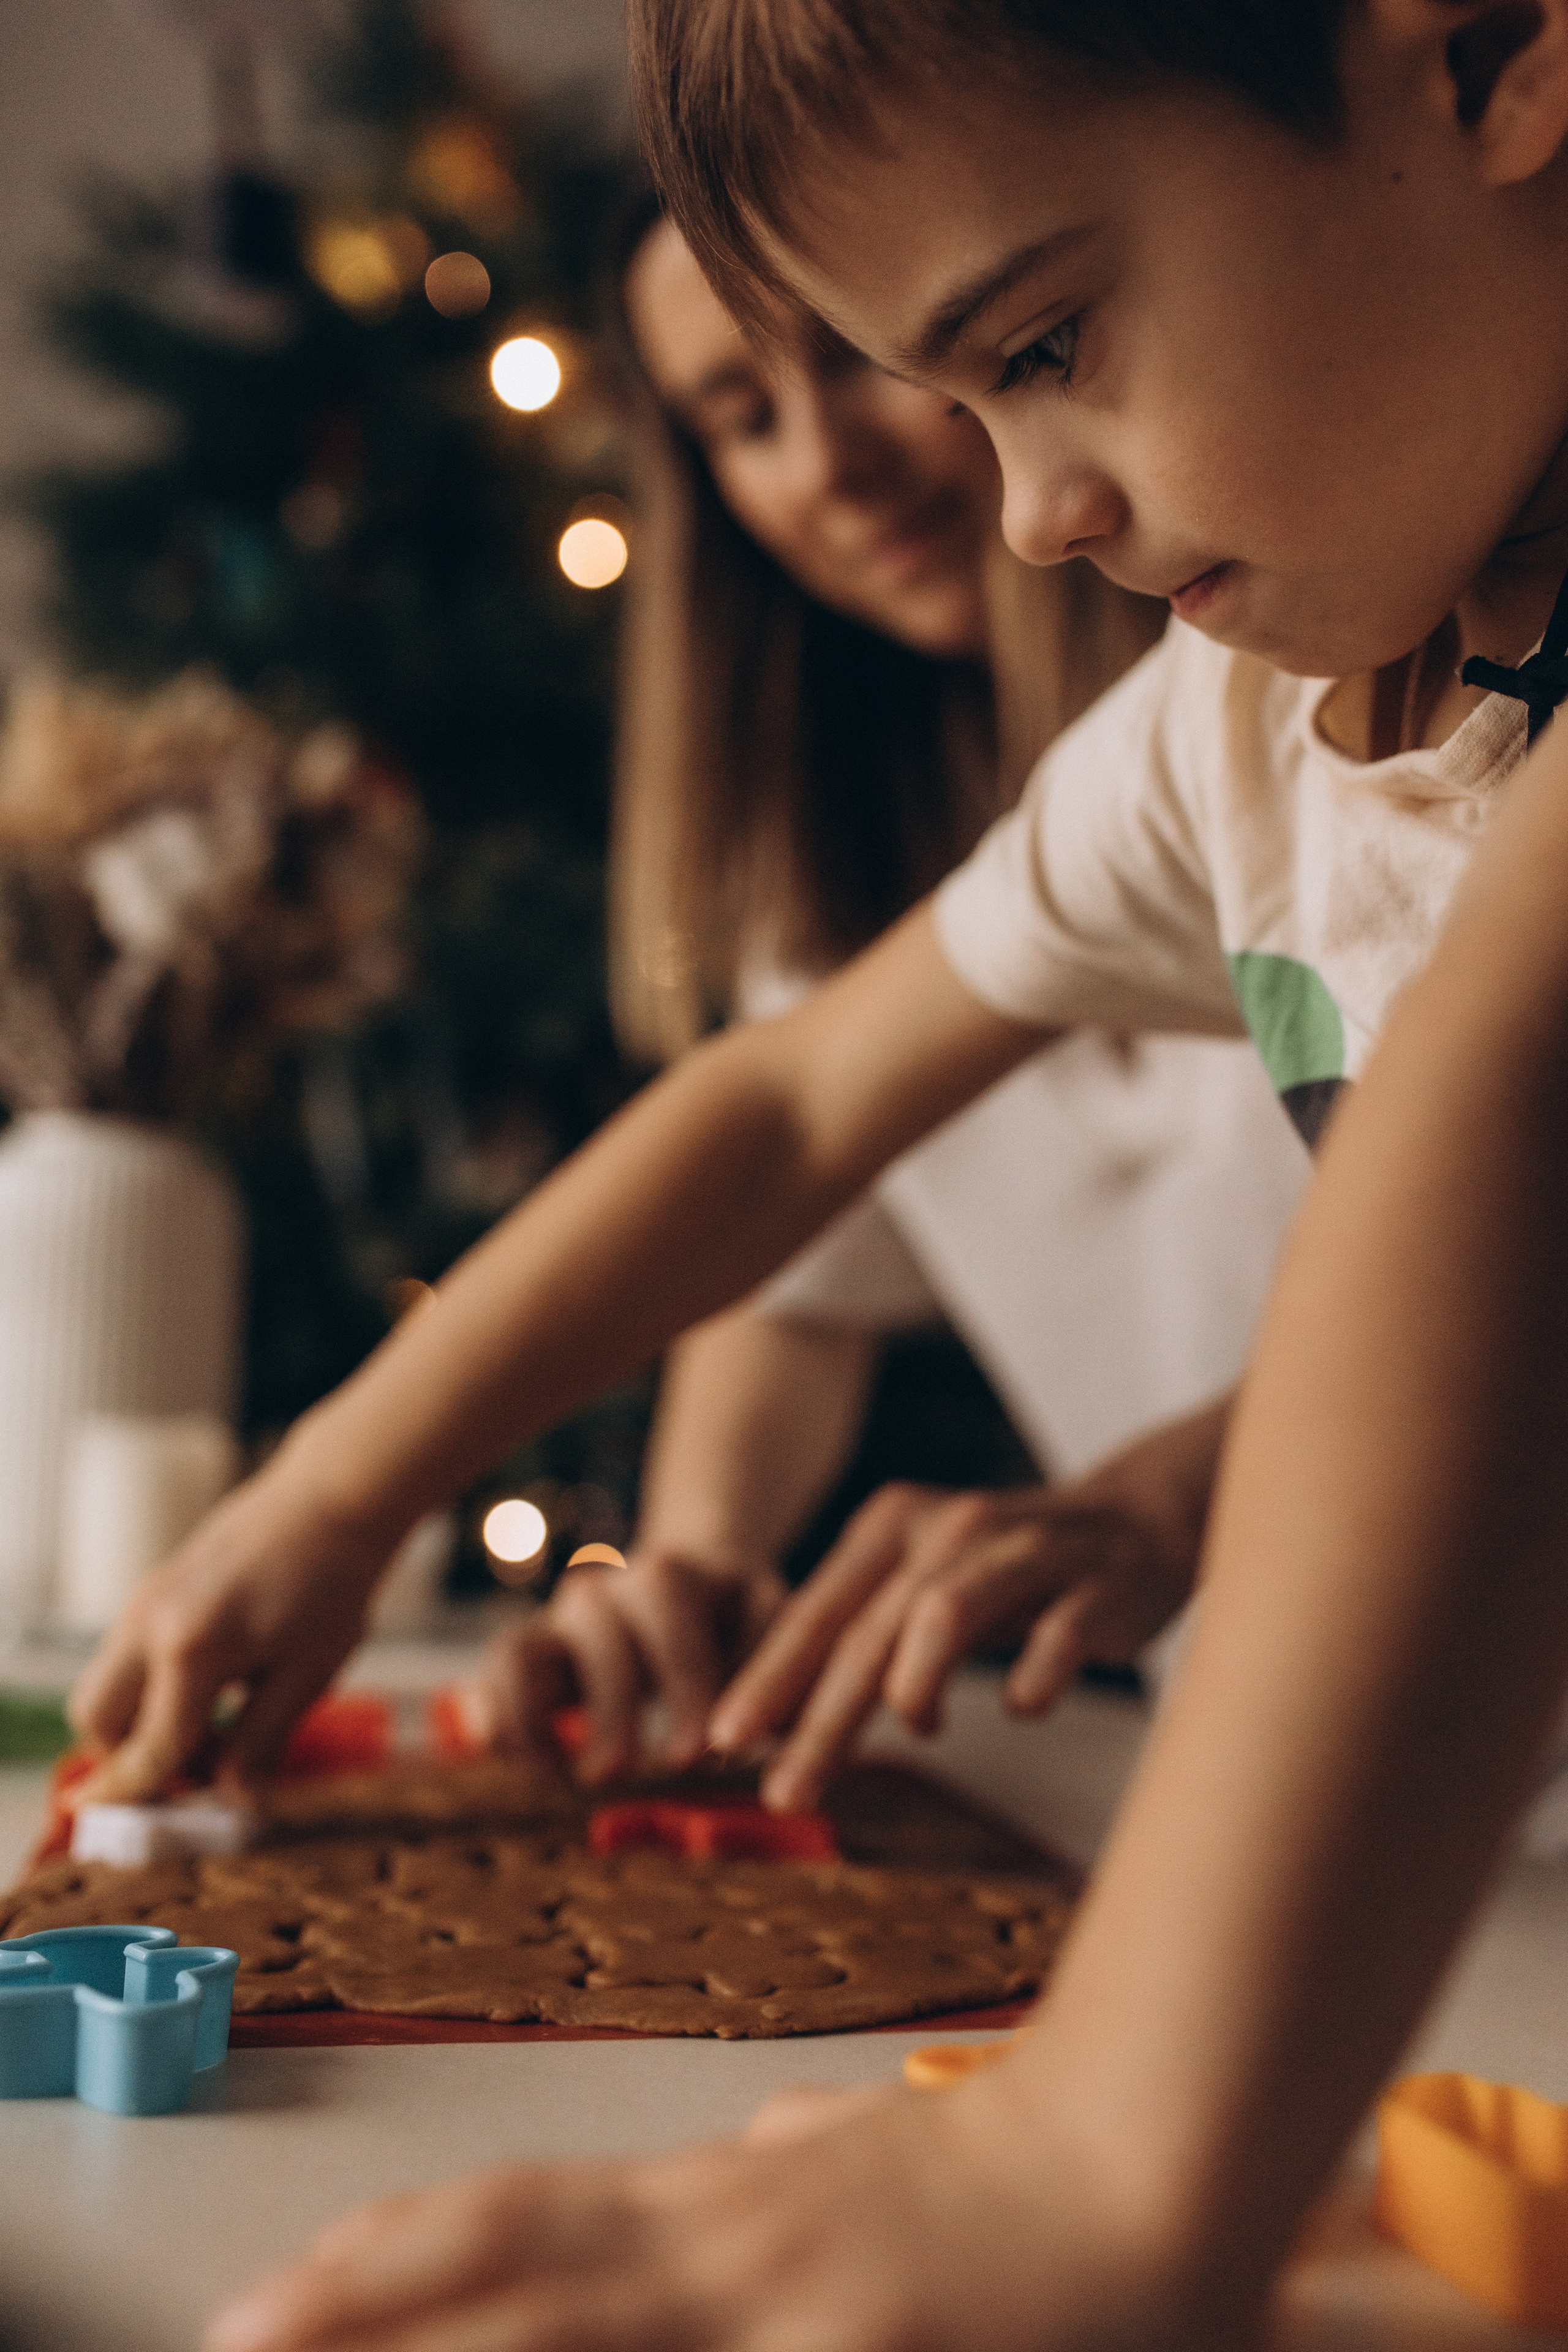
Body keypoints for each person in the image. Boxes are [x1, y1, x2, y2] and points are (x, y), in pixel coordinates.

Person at [83, 0, 1568, 2342]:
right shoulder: (1238, 736)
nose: (1027, 509)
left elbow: (1509, 1121)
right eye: (970, 400)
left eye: (1053, 338)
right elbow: (788, 1103)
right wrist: (336, 1490)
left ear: (1486, 50)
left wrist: (1098, 2160)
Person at [457, 202, 1307, 1787]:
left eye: (853, 360)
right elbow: (797, 1266)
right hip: (1258, 1780)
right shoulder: (846, 881)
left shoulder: (1326, 707)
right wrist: (690, 1565)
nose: (827, 464)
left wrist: (1176, 1496)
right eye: (743, 417)